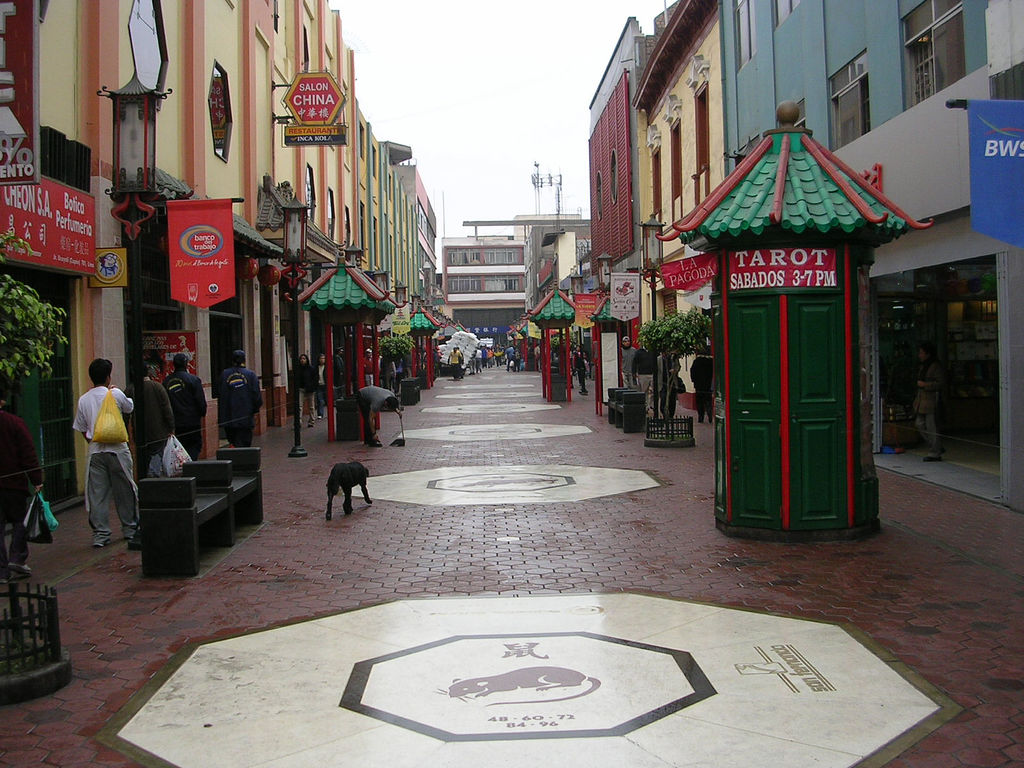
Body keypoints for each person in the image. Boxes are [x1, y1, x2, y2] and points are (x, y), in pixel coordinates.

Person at [72, 358, 140, 549]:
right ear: (108, 376)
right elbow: (130, 407)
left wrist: (92, 442)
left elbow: (82, 427)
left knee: (97, 494)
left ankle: (100, 535)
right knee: (125, 490)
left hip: (96, 452)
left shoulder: (84, 399)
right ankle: (129, 529)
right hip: (118, 450)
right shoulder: (115, 394)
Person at [0, 392, 43, 582]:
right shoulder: (14, 423)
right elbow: (28, 452)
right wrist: (36, 478)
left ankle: (1, 570)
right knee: (20, 521)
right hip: (13, 483)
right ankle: (17, 556)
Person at [164, 352, 207, 460]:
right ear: (186, 364)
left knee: (180, 447)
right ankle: (191, 467)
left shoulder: (166, 381)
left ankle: (184, 467)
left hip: (176, 422)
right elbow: (200, 401)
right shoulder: (193, 380)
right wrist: (202, 412)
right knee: (193, 446)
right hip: (192, 421)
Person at [217, 349, 263, 448]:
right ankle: (242, 462)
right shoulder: (250, 375)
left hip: (229, 418)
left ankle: (235, 460)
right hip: (245, 417)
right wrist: (254, 411)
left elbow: (219, 393)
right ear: (244, 360)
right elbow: (257, 396)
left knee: (233, 442)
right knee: (244, 443)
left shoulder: (224, 374)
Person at [914, 341, 946, 462]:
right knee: (919, 424)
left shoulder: (935, 366)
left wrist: (926, 385)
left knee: (931, 426)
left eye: (922, 353)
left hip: (931, 400)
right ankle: (936, 445)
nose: (919, 355)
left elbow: (941, 383)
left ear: (928, 354)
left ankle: (935, 451)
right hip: (922, 400)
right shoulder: (923, 366)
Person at [142, 362, 175, 476]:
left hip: (142, 433)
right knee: (156, 454)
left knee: (145, 456)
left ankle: (148, 475)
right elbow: (167, 409)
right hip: (158, 431)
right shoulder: (157, 387)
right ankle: (153, 476)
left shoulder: (131, 388)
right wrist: (171, 427)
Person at [690, 349, 714, 423]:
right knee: (708, 401)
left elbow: (692, 372)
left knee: (700, 402)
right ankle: (709, 413)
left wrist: (694, 381)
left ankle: (701, 416)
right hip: (708, 385)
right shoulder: (711, 362)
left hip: (699, 386)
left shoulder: (696, 362)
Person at [632, 343, 657, 412]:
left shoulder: (653, 351)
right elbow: (634, 362)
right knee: (644, 391)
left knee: (653, 391)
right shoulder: (639, 352)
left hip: (652, 374)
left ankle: (651, 405)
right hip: (642, 374)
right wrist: (634, 372)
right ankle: (645, 406)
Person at [655, 351, 680, 419]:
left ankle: (671, 415)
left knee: (672, 400)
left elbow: (678, 366)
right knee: (663, 399)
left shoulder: (673, 358)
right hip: (663, 383)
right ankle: (664, 415)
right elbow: (656, 371)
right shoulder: (658, 359)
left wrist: (674, 370)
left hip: (672, 383)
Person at [297, 353, 317, 427]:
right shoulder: (298, 369)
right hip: (301, 388)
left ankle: (312, 421)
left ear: (307, 360)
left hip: (310, 389)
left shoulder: (311, 369)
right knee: (299, 406)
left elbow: (315, 379)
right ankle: (298, 421)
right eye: (301, 359)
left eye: (304, 358)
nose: (302, 360)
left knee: (311, 406)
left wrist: (313, 387)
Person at [315, 353, 328, 420]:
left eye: (323, 358)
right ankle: (320, 413)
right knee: (320, 400)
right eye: (321, 358)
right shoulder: (316, 367)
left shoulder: (327, 367)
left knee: (326, 399)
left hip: (326, 385)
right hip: (319, 385)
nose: (322, 360)